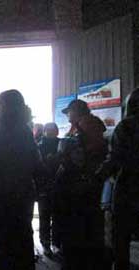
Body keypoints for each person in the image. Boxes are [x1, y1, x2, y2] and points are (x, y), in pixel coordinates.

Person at [0, 90, 41, 270]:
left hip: (5, 194)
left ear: (7, 106)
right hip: (21, 192)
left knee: (6, 237)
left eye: (0, 104)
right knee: (22, 236)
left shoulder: (5, 129)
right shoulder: (23, 128)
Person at [56, 99, 108, 270]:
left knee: (81, 228)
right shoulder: (83, 125)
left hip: (82, 187)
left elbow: (83, 156)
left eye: (69, 112)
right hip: (83, 185)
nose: (67, 116)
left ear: (76, 111)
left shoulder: (86, 124)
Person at [96, 88, 139, 270]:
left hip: (129, 188)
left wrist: (97, 176)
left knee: (120, 239)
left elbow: (115, 159)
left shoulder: (126, 126)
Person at [36, 122, 60, 256]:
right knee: (45, 216)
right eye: (48, 130)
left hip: (57, 185)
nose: (51, 132)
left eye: (53, 130)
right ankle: (46, 243)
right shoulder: (40, 146)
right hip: (45, 186)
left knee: (56, 215)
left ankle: (55, 243)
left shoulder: (61, 144)